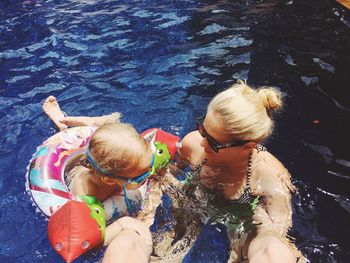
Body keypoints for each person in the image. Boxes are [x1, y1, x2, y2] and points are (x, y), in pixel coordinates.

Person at [175, 80, 305, 262]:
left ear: (248, 146)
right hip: (195, 207)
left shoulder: (269, 175)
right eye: (202, 130)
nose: (202, 142)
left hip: (241, 221)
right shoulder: (192, 144)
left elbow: (278, 229)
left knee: (273, 250)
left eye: (212, 142)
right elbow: (175, 172)